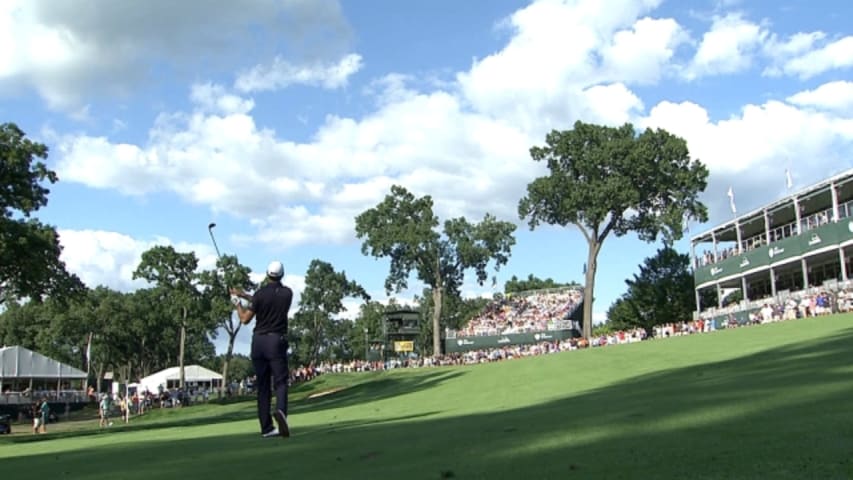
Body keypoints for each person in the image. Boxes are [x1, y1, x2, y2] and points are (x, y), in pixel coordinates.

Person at [231, 260, 293, 439]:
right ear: (282, 275)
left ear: (267, 274)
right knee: (280, 383)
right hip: (276, 341)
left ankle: (266, 428)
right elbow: (267, 300)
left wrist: (237, 302)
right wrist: (244, 295)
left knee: (263, 386)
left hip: (258, 342)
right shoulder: (287, 293)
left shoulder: (259, 294)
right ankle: (281, 412)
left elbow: (244, 319)